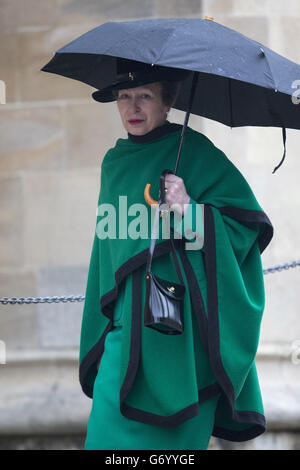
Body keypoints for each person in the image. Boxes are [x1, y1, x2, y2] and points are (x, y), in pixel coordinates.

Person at [79, 59, 274, 450]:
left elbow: (244, 231)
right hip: (122, 339)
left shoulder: (198, 154)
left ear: (167, 102)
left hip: (180, 345)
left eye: (145, 96)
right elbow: (107, 256)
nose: (133, 107)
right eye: (124, 97)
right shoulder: (112, 164)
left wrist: (190, 210)